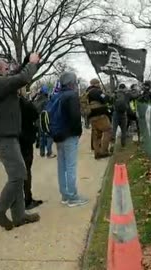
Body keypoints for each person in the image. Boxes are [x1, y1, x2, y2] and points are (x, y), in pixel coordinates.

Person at [0, 54, 41, 230]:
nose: (8, 72)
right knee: (19, 175)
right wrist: (31, 64)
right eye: (5, 69)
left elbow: (15, 75)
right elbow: (21, 78)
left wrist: (24, 63)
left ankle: (19, 215)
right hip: (5, 137)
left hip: (8, 136)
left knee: (17, 175)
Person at [47, 72, 87, 207]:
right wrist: (79, 131)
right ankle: (73, 197)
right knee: (70, 166)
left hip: (58, 135)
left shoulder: (56, 96)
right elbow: (75, 117)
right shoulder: (71, 95)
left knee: (62, 166)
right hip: (69, 135)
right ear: (72, 82)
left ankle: (65, 195)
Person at [18, 89, 44, 210]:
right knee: (26, 170)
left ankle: (23, 198)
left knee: (19, 171)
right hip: (25, 138)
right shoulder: (23, 102)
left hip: (15, 139)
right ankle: (27, 199)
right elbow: (34, 113)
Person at [87, 78, 112, 159]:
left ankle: (97, 153)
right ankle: (104, 151)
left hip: (91, 116)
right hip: (100, 115)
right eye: (98, 83)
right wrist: (106, 94)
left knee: (97, 135)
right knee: (108, 130)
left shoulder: (87, 92)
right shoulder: (97, 91)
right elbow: (105, 99)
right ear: (96, 84)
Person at [33, 85, 55, 158]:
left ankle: (42, 153)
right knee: (49, 135)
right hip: (45, 120)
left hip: (38, 121)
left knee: (41, 136)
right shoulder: (46, 101)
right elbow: (49, 111)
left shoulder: (36, 100)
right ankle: (49, 152)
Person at [112, 83, 130, 148]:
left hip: (116, 113)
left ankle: (112, 143)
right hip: (123, 114)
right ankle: (123, 144)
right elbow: (135, 96)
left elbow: (111, 100)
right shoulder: (127, 94)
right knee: (124, 130)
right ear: (124, 87)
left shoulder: (115, 93)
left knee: (114, 129)